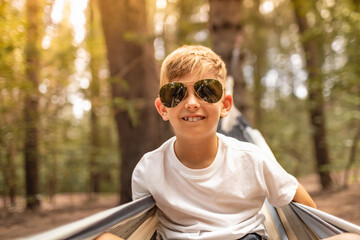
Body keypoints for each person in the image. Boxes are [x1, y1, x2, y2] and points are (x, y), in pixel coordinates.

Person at [95, 45, 360, 240]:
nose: (190, 102)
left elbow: (299, 200)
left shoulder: (251, 158)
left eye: (206, 90)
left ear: (226, 105)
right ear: (162, 108)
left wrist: (314, 231)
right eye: (175, 93)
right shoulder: (149, 169)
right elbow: (143, 226)